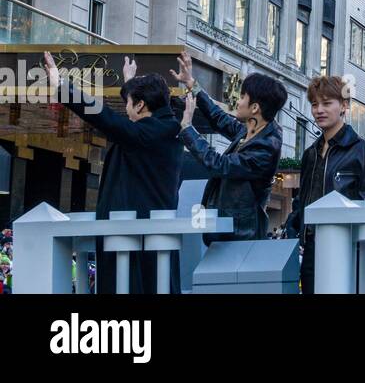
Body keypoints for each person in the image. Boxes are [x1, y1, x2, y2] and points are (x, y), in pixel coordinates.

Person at [43, 51, 182, 294]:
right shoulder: (166, 129)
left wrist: (62, 87)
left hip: (131, 242)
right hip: (146, 239)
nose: (126, 111)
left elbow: (105, 118)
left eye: (129, 103)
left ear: (141, 105)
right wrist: (130, 83)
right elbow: (129, 119)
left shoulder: (146, 134)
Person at [288, 75, 365, 294]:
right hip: (313, 249)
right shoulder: (310, 154)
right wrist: (293, 229)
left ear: (344, 106)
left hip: (351, 248)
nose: (319, 110)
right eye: (314, 104)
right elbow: (303, 201)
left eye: (326, 103)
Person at [172, 56, 286, 244]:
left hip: (241, 238)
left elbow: (219, 164)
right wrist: (192, 84)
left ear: (255, 108)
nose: (238, 102)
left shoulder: (265, 148)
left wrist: (187, 128)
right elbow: (219, 118)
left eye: (242, 97)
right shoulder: (250, 131)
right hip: (227, 231)